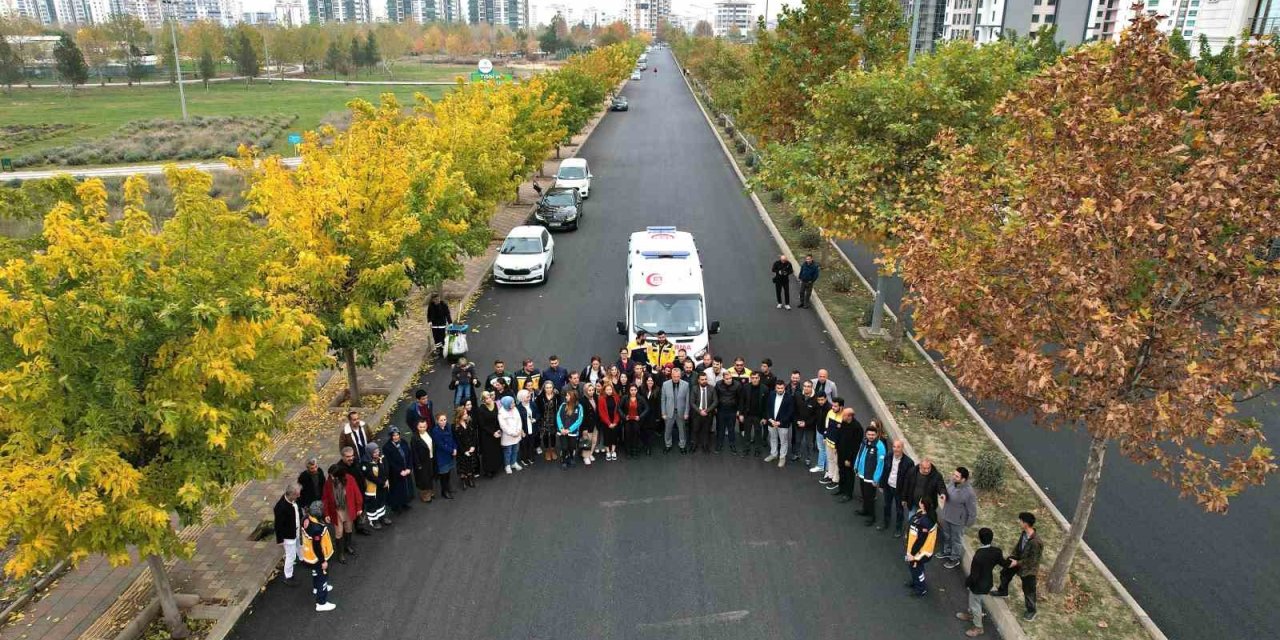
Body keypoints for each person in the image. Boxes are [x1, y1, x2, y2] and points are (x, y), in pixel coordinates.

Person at [992, 512, 1042, 622]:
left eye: (1020, 521)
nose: (1019, 522)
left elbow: (1032, 561)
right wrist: (1012, 557)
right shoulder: (1024, 533)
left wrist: (1017, 563)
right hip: (1018, 560)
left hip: (1028, 569)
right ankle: (1003, 591)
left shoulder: (1036, 542)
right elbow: (1018, 547)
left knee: (1028, 590)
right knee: (1005, 573)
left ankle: (1031, 611)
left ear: (1025, 523)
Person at [958, 527, 1004, 637]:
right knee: (974, 601)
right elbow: (1003, 563)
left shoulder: (979, 555)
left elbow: (974, 575)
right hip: (987, 582)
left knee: (975, 605)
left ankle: (978, 627)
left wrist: (967, 583)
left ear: (979, 538)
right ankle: (972, 615)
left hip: (978, 586)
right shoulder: (997, 551)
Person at [298, 501, 336, 611]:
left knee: (315, 573)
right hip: (317, 557)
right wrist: (323, 561)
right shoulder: (317, 529)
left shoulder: (305, 518)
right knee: (322, 577)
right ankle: (321, 603)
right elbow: (317, 547)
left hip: (309, 555)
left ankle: (316, 587)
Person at [321, 464, 362, 564]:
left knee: (348, 528)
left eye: (333, 475)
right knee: (339, 532)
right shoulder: (328, 483)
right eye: (330, 475)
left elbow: (356, 492)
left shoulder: (350, 479)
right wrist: (326, 513)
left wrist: (359, 507)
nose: (331, 477)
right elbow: (325, 498)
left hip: (348, 508)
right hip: (336, 511)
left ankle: (348, 546)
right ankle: (340, 553)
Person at [941, 466, 979, 569]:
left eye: (957, 476)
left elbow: (972, 510)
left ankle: (955, 558)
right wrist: (944, 494)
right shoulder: (953, 483)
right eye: (954, 474)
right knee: (946, 535)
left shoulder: (969, 493)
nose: (953, 477)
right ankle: (947, 551)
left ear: (963, 479)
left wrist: (968, 523)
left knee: (956, 540)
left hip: (958, 521)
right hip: (947, 515)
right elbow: (946, 490)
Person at [854, 421, 888, 526]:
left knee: (870, 497)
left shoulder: (880, 446)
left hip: (870, 477)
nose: (871, 436)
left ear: (877, 434)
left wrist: (876, 478)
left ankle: (872, 517)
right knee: (864, 495)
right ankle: (865, 510)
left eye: (873, 435)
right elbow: (859, 454)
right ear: (866, 434)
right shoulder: (864, 442)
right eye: (869, 434)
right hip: (862, 473)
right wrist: (856, 466)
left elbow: (880, 464)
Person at [901, 458, 947, 533]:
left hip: (927, 506)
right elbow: (906, 485)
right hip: (913, 503)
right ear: (920, 466)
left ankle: (922, 537)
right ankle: (910, 534)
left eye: (929, 468)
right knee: (911, 520)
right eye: (924, 468)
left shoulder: (936, 475)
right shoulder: (912, 472)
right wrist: (904, 498)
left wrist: (942, 493)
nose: (927, 470)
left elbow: (941, 486)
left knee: (925, 524)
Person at [335, 447, 371, 536]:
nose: (351, 458)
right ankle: (346, 532)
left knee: (360, 510)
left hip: (360, 491)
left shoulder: (356, 462)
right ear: (342, 457)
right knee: (349, 514)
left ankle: (360, 527)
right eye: (348, 456)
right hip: (349, 495)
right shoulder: (339, 468)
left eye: (352, 456)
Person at [905, 498, 939, 597]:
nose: (918, 502)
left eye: (920, 501)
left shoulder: (925, 522)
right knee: (915, 568)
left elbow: (920, 541)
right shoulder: (922, 513)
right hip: (916, 549)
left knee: (916, 569)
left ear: (923, 505)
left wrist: (912, 554)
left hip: (919, 552)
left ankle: (921, 589)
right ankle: (916, 582)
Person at [881, 439, 915, 536]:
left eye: (898, 447)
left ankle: (898, 528)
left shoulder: (909, 463)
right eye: (894, 447)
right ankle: (885, 523)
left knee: (899, 510)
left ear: (902, 448)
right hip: (888, 486)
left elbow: (909, 481)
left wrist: (905, 496)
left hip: (899, 490)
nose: (895, 449)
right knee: (886, 506)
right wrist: (882, 484)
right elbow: (885, 471)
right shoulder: (888, 456)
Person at [273, 483, 303, 586]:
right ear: (291, 494)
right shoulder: (280, 508)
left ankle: (302, 559)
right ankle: (288, 576)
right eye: (297, 495)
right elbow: (278, 525)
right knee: (291, 556)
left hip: (296, 531)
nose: (299, 496)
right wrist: (280, 540)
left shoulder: (292, 501)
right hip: (288, 536)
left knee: (299, 545)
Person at [835, 407, 864, 501]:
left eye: (844, 415)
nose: (842, 416)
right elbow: (839, 435)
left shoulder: (857, 428)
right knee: (841, 471)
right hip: (841, 453)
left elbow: (855, 446)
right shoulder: (843, 423)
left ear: (849, 416)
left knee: (849, 475)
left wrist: (849, 459)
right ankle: (841, 489)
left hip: (849, 456)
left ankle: (848, 494)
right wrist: (836, 447)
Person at [383, 427, 414, 513]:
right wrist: (400, 471)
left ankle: (404, 503)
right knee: (396, 490)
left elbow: (409, 455)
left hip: (406, 470)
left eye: (397, 435)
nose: (396, 437)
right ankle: (396, 507)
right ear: (390, 436)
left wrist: (409, 468)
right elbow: (390, 462)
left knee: (405, 488)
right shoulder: (387, 447)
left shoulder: (403, 442)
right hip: (395, 473)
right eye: (394, 435)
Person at [359, 443, 389, 529]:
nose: (377, 453)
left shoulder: (381, 458)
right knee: (372, 505)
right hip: (371, 489)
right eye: (374, 452)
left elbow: (386, 469)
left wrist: (386, 480)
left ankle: (382, 517)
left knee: (381, 502)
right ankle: (373, 521)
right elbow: (371, 477)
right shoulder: (365, 463)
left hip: (381, 486)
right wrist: (383, 483)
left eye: (377, 451)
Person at [763, 380, 793, 467]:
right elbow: (767, 408)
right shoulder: (771, 394)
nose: (780, 390)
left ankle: (782, 457)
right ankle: (773, 454)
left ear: (784, 388)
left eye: (781, 388)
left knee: (783, 441)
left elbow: (790, 412)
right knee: (773, 438)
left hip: (783, 424)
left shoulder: (790, 397)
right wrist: (770, 420)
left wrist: (780, 422)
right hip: (772, 423)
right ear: (775, 388)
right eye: (778, 388)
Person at [661, 368, 691, 453]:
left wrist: (686, 412)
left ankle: (682, 445)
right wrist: (663, 413)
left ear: (680, 376)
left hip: (681, 412)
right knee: (668, 430)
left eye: (678, 376)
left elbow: (687, 400)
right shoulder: (665, 384)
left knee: (682, 430)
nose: (676, 378)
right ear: (671, 375)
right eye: (674, 376)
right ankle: (668, 444)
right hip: (668, 412)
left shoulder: (686, 384)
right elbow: (663, 399)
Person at [429, 413, 458, 499]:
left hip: (450, 454)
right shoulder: (435, 431)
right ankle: (444, 491)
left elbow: (453, 438)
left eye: (444, 419)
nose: (443, 422)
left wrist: (455, 448)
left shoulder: (448, 426)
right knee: (443, 475)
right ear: (437, 421)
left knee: (448, 473)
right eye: (441, 420)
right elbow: (441, 445)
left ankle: (448, 488)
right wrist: (452, 450)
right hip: (442, 456)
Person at [475, 392, 503, 478]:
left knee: (495, 451)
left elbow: (498, 419)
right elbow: (482, 425)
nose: (489, 399)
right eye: (486, 398)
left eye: (490, 397)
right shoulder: (481, 409)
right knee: (488, 453)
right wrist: (493, 433)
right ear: (483, 400)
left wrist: (499, 430)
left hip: (496, 432)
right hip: (486, 435)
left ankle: (495, 467)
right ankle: (488, 470)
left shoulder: (495, 405)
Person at [689, 371, 718, 454]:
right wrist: (700, 411)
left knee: (706, 431)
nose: (704, 381)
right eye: (702, 379)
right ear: (698, 380)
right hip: (696, 414)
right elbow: (692, 402)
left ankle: (705, 445)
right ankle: (694, 445)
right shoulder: (694, 388)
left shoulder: (712, 388)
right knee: (695, 430)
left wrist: (707, 410)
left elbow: (715, 401)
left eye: (705, 379)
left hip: (708, 414)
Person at [713, 370, 742, 453]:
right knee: (720, 429)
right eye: (727, 379)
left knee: (731, 429)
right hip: (721, 410)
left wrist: (739, 410)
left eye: (730, 378)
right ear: (723, 378)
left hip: (732, 410)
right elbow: (715, 396)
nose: (729, 380)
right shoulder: (718, 384)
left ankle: (732, 445)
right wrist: (715, 407)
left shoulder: (737, 385)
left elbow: (740, 398)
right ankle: (719, 444)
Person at [792, 380, 819, 466]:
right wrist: (797, 421)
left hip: (809, 426)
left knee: (809, 443)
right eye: (805, 386)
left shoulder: (816, 398)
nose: (806, 388)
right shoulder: (798, 395)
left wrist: (806, 423)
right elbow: (794, 410)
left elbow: (815, 415)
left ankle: (808, 458)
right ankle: (797, 454)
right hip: (799, 424)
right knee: (797, 441)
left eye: (808, 386)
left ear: (812, 387)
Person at [557, 389, 585, 468]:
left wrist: (569, 429)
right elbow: (558, 417)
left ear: (572, 397)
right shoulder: (563, 405)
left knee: (572, 447)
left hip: (573, 432)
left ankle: (571, 458)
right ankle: (563, 460)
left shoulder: (579, 407)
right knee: (564, 447)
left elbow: (579, 420)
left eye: (567, 396)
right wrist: (561, 428)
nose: (566, 397)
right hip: (562, 431)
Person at [534, 381, 561, 462]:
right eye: (547, 388)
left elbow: (559, 406)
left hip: (553, 418)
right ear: (544, 388)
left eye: (550, 387)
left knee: (553, 435)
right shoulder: (540, 397)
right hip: (544, 419)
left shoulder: (557, 396)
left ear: (553, 388)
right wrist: (539, 418)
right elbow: (537, 408)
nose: (549, 389)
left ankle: (552, 450)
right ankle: (547, 451)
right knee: (545, 435)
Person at [820, 398, 845, 489]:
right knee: (830, 459)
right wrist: (825, 437)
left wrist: (839, 446)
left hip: (837, 445)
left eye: (835, 406)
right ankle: (830, 476)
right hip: (829, 442)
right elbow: (826, 426)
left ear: (841, 407)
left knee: (837, 462)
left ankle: (835, 480)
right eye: (833, 405)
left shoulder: (844, 416)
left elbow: (844, 434)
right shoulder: (830, 412)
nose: (833, 407)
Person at [410, 418, 435, 502]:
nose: (422, 429)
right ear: (417, 427)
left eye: (424, 426)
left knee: (430, 475)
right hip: (422, 461)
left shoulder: (429, 433)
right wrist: (418, 465)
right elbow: (414, 452)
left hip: (430, 458)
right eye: (420, 427)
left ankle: (430, 491)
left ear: (426, 426)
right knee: (423, 479)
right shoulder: (414, 438)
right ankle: (425, 495)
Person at [596, 382, 623, 461]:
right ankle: (608, 452)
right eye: (607, 389)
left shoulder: (616, 397)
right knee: (607, 436)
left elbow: (618, 410)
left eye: (610, 389)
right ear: (604, 390)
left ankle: (613, 451)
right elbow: (601, 412)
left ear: (612, 390)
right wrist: (609, 423)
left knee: (614, 436)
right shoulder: (601, 399)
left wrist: (615, 422)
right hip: (606, 422)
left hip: (615, 421)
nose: (609, 391)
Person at [621, 382, 649, 456]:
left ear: (637, 390)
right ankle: (628, 451)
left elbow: (647, 408)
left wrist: (640, 416)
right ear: (629, 390)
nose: (633, 392)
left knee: (636, 435)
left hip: (636, 420)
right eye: (631, 390)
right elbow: (619, 408)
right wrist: (624, 416)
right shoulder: (625, 397)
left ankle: (635, 450)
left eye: (635, 390)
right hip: (627, 420)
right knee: (627, 435)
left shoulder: (641, 398)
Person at [498, 396, 524, 473]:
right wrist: (512, 433)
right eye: (512, 403)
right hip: (508, 436)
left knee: (515, 450)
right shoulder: (501, 412)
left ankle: (513, 463)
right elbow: (503, 426)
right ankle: (507, 465)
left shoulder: (515, 409)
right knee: (508, 452)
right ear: (507, 404)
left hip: (517, 434)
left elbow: (519, 420)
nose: (514, 404)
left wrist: (518, 430)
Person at [640, 375, 662, 455]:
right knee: (643, 430)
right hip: (643, 414)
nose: (650, 382)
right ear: (645, 381)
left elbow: (659, 404)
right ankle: (644, 443)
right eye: (648, 380)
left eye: (651, 381)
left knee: (650, 431)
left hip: (653, 414)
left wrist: (658, 416)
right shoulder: (641, 389)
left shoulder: (658, 389)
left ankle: (648, 447)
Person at [579, 383, 601, 465]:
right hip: (587, 425)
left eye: (592, 390)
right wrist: (584, 428)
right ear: (585, 391)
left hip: (595, 423)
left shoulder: (595, 397)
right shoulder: (582, 400)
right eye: (589, 390)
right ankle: (585, 456)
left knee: (594, 440)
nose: (591, 392)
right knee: (587, 441)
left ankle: (590, 453)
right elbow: (582, 416)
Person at [809, 393, 830, 473]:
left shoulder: (829, 408)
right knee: (821, 449)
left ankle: (827, 469)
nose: (820, 401)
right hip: (819, 430)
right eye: (818, 400)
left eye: (822, 400)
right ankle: (821, 466)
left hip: (826, 433)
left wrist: (826, 434)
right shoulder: (817, 406)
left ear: (826, 399)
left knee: (827, 451)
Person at [516, 389, 537, 466]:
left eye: (529, 396)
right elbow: (517, 421)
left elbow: (538, 413)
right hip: (524, 429)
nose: (529, 398)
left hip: (532, 428)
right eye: (527, 397)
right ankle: (524, 458)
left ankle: (530, 456)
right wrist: (521, 431)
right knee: (524, 445)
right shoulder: (518, 408)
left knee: (531, 443)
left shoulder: (533, 404)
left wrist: (535, 419)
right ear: (522, 398)